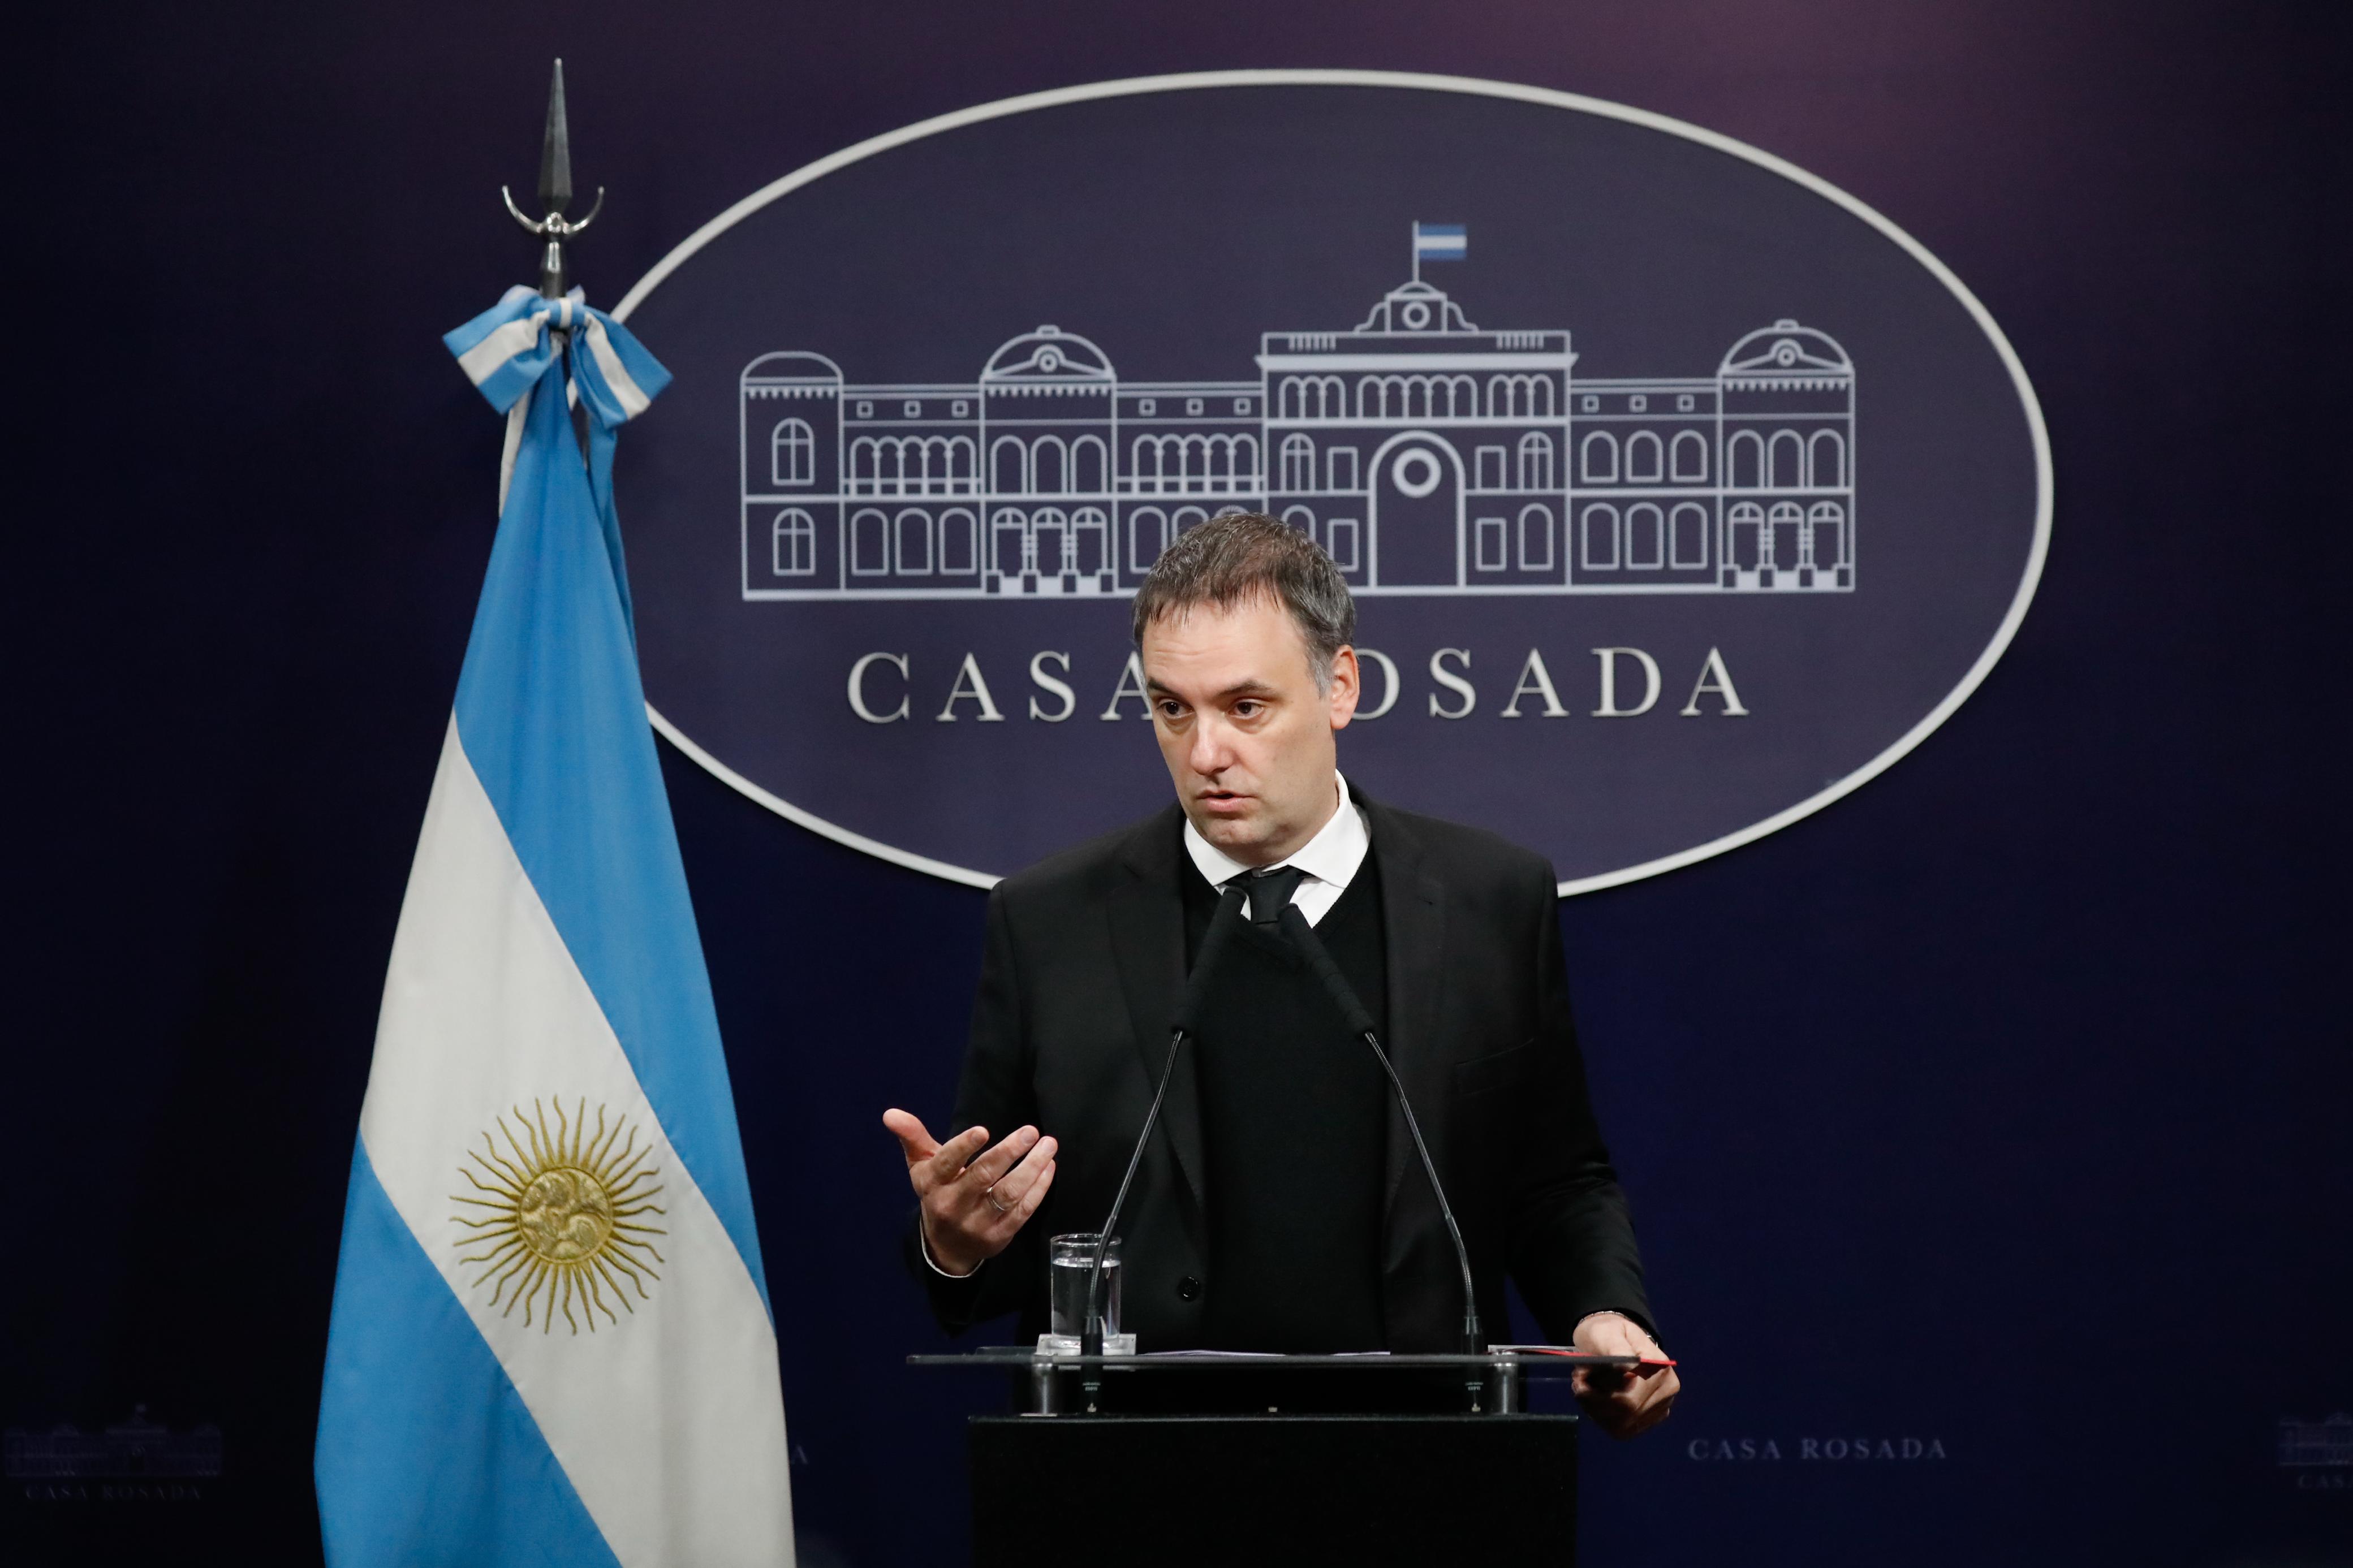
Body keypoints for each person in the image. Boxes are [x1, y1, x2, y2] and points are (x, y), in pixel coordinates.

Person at [882, 513, 1677, 1436]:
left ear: (1340, 686)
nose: (1205, 753)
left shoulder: (1488, 900)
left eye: (1246, 707)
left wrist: (1604, 1312)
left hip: (1422, 1460)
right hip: (1134, 1463)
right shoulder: (1050, 920)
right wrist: (953, 1244)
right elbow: (995, 1216)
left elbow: (1556, 1180)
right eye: (1173, 708)